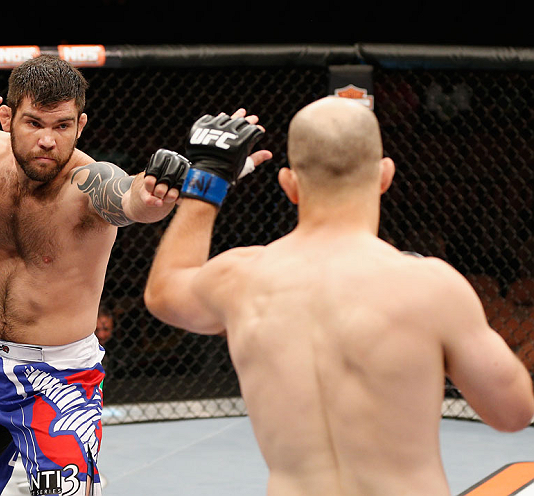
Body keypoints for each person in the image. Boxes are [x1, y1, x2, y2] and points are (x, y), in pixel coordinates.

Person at [144, 96, 534, 495]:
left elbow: (164, 291)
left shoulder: (241, 277)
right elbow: (514, 412)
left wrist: (209, 179)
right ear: (385, 176)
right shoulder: (431, 288)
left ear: (289, 185)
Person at [0, 54, 196, 496]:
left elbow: (130, 196)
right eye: (34, 124)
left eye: (61, 126)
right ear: (7, 119)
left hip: (58, 379)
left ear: (80, 126)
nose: (47, 140)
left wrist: (155, 191)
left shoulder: (88, 182)